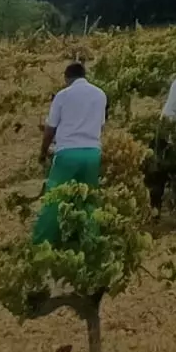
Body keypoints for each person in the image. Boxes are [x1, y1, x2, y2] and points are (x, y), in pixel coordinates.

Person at [33, 62, 108, 244]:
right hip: (92, 153)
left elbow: (50, 129)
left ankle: (43, 242)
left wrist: (43, 153)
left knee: (55, 199)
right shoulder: (100, 94)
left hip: (68, 153)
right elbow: (101, 125)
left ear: (67, 78)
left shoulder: (63, 95)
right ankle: (90, 240)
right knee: (88, 199)